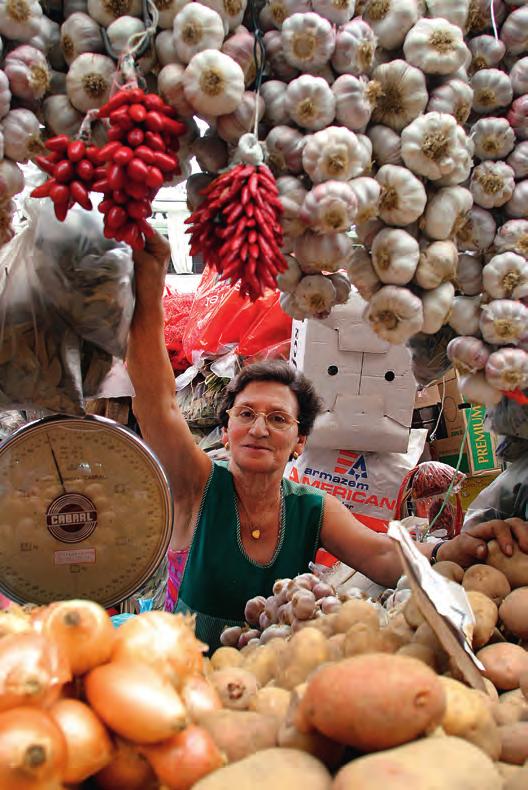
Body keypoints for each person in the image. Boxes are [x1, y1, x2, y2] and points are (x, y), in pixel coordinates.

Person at [127, 232, 528, 650]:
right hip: (180, 673)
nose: (260, 428)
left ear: (300, 442)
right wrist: (149, 286)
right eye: (246, 414)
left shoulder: (310, 508)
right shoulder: (198, 484)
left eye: (278, 418)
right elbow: (157, 406)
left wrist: (455, 549)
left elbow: (383, 557)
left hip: (263, 682)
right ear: (225, 431)